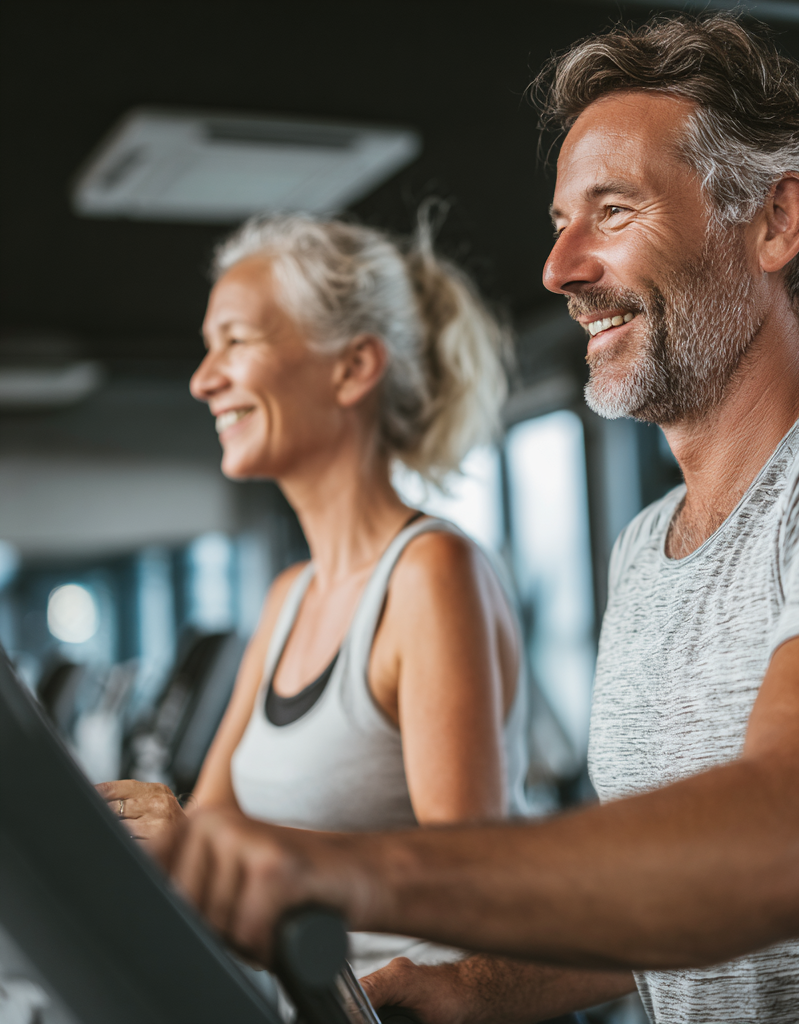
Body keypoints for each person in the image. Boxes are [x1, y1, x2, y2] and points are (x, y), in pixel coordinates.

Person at [155, 15, 799, 1024]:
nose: (558, 267)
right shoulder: (645, 549)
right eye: (561, 220)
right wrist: (466, 987)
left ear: (774, 222)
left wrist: (319, 870)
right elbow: (665, 903)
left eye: (611, 211)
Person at [99, 211, 529, 978]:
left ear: (353, 367)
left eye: (235, 340)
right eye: (207, 349)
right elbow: (212, 830)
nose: (203, 379)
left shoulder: (430, 575)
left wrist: (209, 845)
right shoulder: (290, 597)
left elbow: (474, 882)